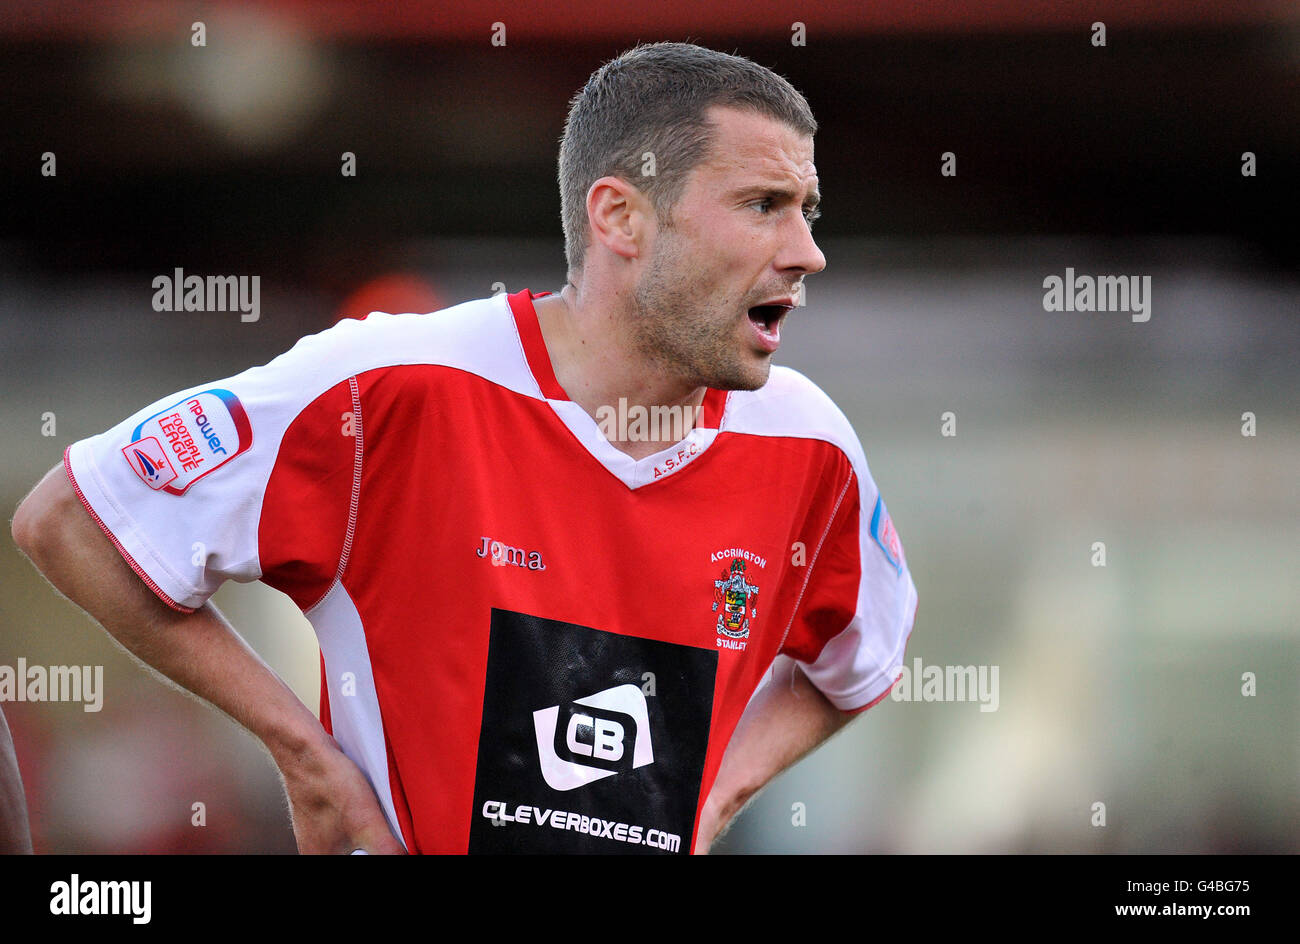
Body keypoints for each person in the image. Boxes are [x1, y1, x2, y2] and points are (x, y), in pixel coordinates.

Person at [11, 42, 917, 854]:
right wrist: (305, 756)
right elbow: (74, 519)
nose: (807, 251)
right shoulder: (388, 382)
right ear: (621, 218)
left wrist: (721, 793)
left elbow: (864, 658)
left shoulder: (811, 446)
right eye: (764, 205)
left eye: (808, 210)